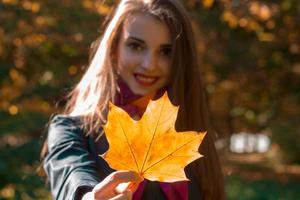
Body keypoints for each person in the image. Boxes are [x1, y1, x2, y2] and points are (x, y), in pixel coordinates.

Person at [41, 0, 225, 199]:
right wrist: (89, 197)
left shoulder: (189, 130)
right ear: (113, 48)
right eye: (136, 46)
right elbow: (73, 177)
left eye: (165, 52)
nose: (149, 64)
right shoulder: (71, 131)